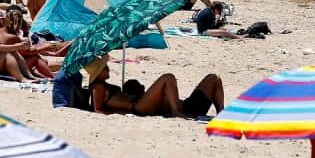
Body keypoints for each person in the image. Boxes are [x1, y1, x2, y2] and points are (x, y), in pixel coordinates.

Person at [86, 55, 224, 118]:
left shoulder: (103, 85)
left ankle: (222, 115)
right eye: (104, 68)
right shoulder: (98, 86)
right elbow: (98, 110)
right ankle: (176, 112)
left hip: (187, 107)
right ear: (98, 73)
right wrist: (121, 113)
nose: (108, 69)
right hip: (138, 107)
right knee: (168, 77)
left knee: (214, 78)